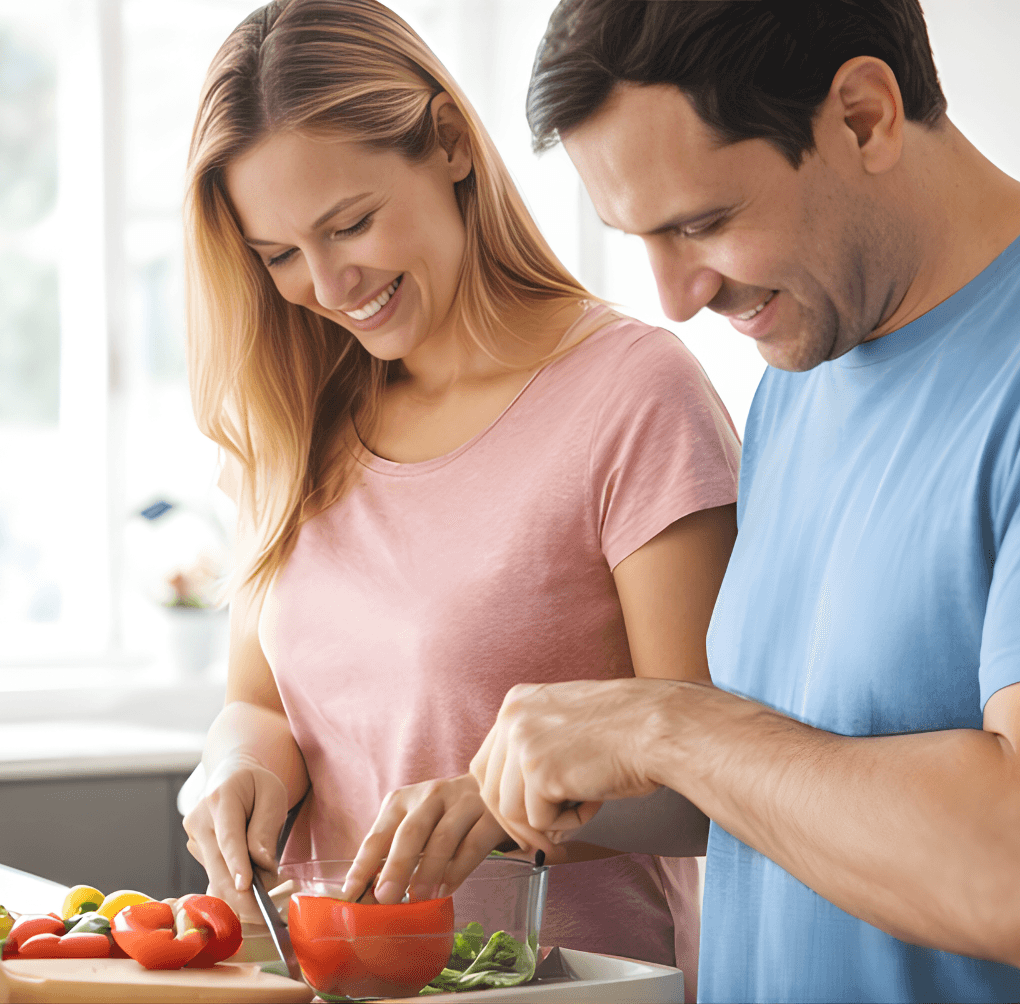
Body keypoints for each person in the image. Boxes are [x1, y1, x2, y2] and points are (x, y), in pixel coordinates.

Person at [467, 1, 1020, 1002]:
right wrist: (531, 781)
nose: (674, 295)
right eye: (640, 237)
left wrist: (664, 722)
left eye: (702, 223)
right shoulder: (798, 367)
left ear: (864, 115)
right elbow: (797, 778)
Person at [175, 0, 740, 989]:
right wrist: (233, 769)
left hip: (570, 979)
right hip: (331, 974)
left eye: (348, 224)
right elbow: (262, 706)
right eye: (276, 257)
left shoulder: (631, 393)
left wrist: (513, 797)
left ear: (446, 143)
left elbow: (713, 778)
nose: (326, 282)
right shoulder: (294, 413)